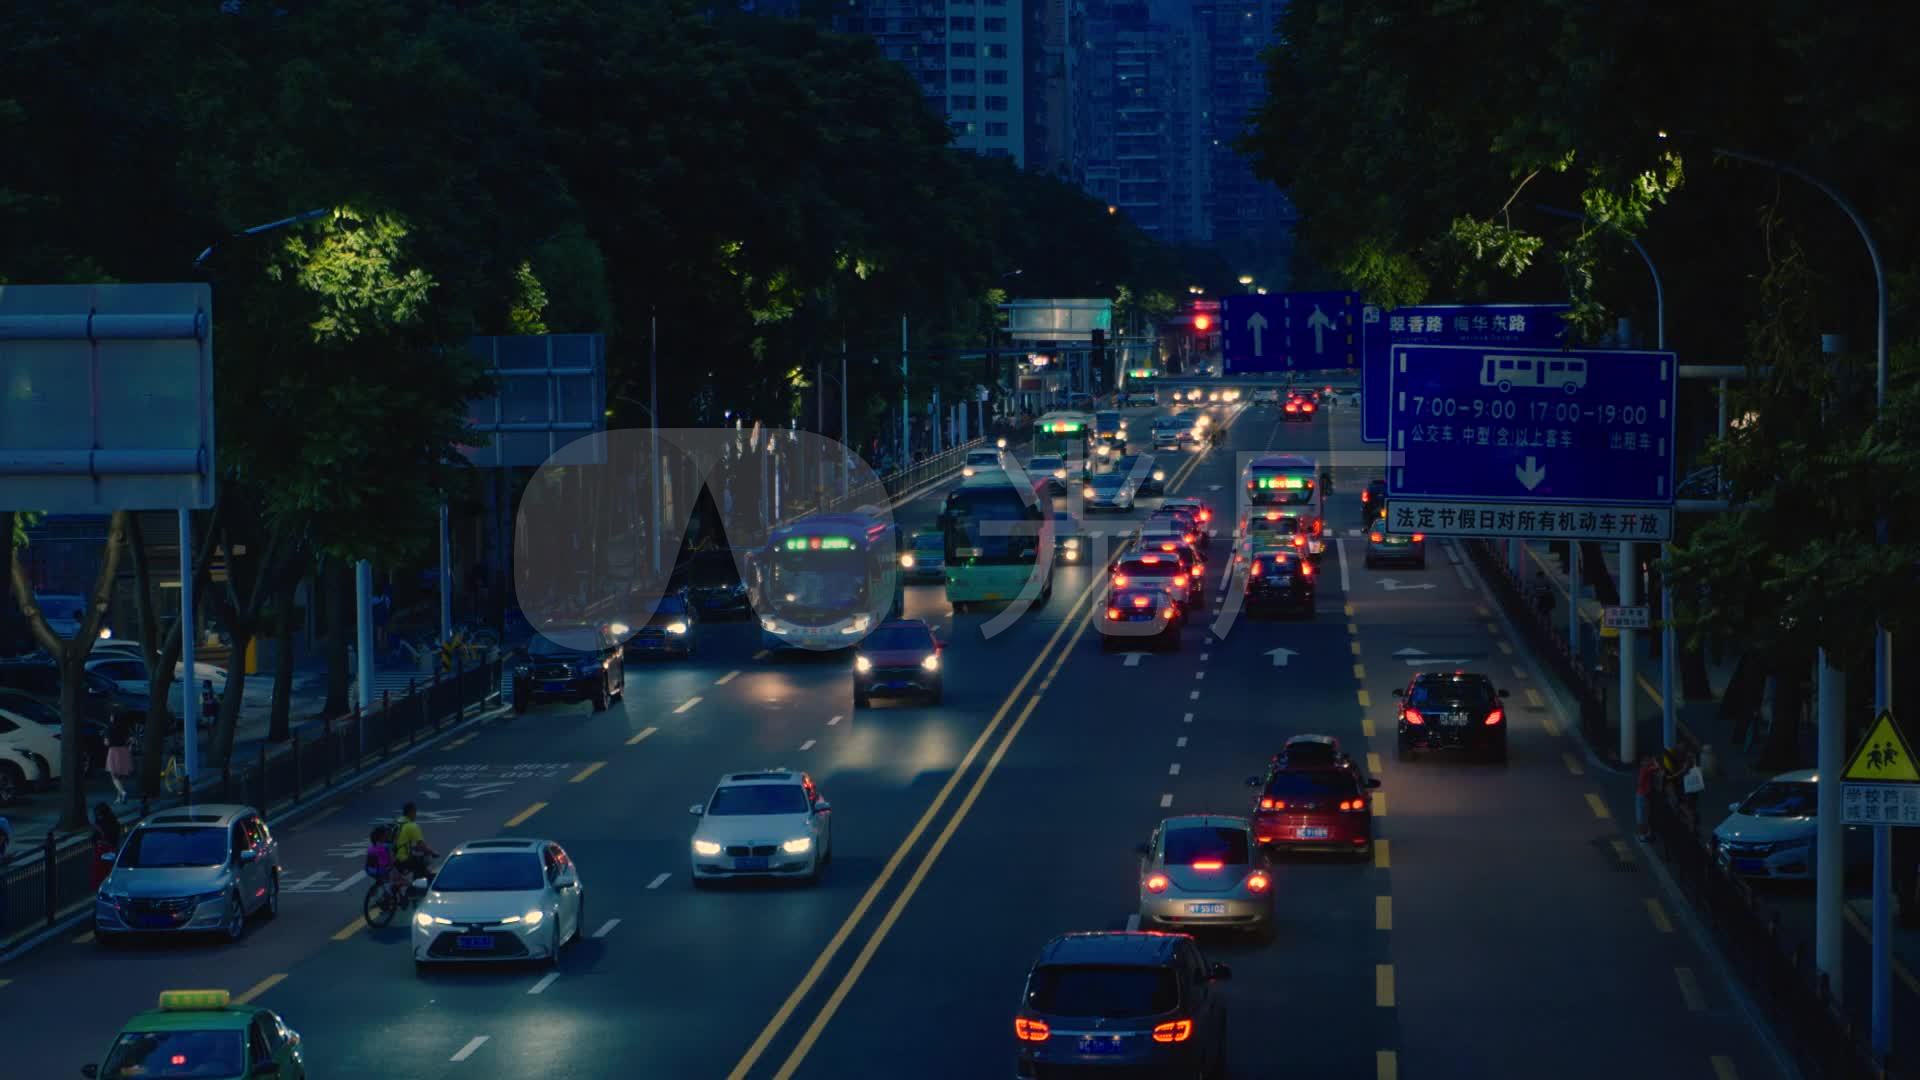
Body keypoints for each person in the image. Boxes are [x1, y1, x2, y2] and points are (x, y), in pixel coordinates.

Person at [391, 801, 438, 883]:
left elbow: (400, 841)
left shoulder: (397, 822)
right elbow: (421, 845)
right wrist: (433, 852)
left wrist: (412, 847)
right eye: (415, 812)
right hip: (403, 859)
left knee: (416, 863)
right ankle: (416, 887)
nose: (415, 815)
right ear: (411, 812)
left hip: (392, 857)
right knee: (422, 865)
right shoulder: (411, 826)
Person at [105, 710, 135, 803]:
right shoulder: (125, 728)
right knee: (120, 776)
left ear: (113, 718)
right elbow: (131, 739)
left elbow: (106, 743)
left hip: (114, 751)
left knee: (114, 776)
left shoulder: (109, 728)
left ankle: (123, 792)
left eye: (111, 716)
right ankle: (119, 798)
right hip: (124, 751)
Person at [91, 802, 123, 889]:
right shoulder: (99, 822)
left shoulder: (112, 823)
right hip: (99, 849)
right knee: (98, 870)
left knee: (106, 869)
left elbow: (111, 838)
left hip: (108, 849)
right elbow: (94, 838)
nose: (98, 817)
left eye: (99, 815)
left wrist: (100, 831)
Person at [1635, 754, 1660, 840]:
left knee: (1644, 814)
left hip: (1643, 795)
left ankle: (1645, 833)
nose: (1648, 761)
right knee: (1641, 816)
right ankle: (1642, 835)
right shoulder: (1645, 770)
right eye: (1646, 760)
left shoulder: (1645, 769)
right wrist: (1654, 761)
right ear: (1642, 763)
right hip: (1642, 795)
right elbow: (1657, 767)